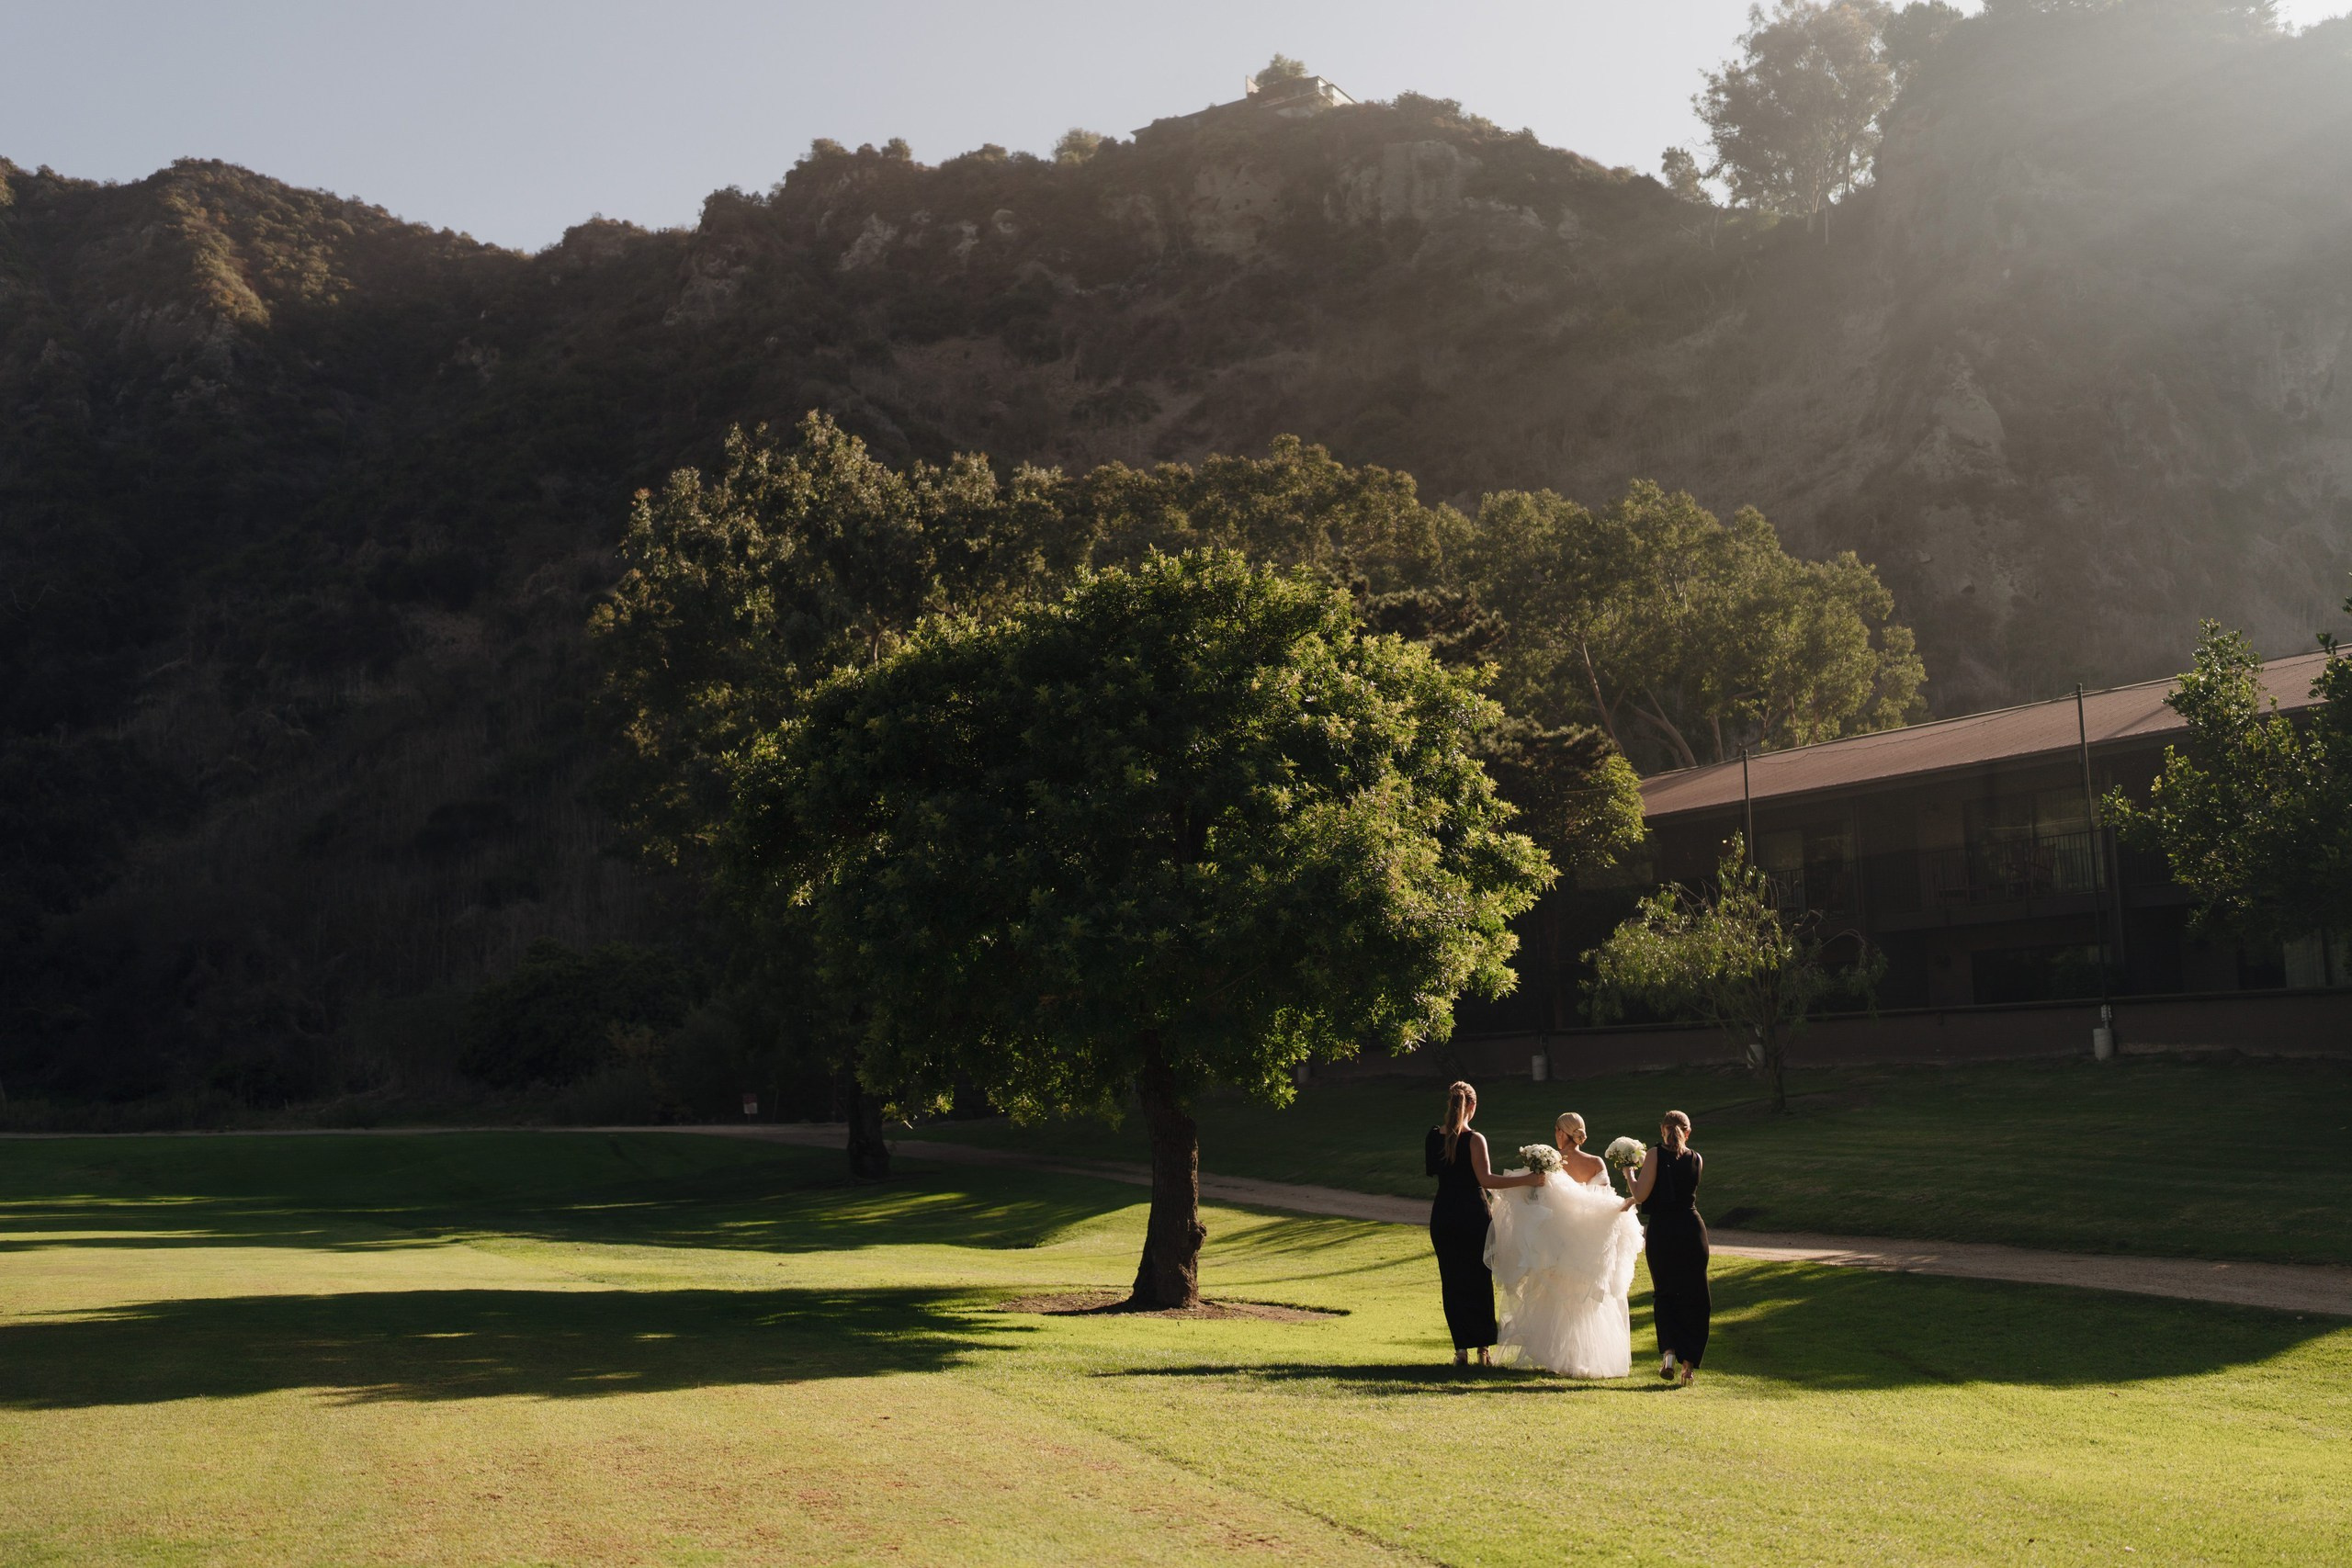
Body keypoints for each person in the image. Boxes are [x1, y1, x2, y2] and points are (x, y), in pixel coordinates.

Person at [1483, 1111, 1644, 1377]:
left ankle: (1559, 1357)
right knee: (1585, 1302)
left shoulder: (1549, 1164)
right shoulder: (1595, 1162)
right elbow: (1602, 1200)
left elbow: (1536, 1202)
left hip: (1555, 1244)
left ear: (1560, 1132)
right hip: (1587, 1243)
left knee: (1556, 1299)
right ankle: (1581, 1357)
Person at [1425, 1080, 1543, 1366]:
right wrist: (1527, 1179)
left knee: (1452, 1281)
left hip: (1444, 1214)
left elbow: (1436, 1171)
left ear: (1450, 1103)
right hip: (1472, 1213)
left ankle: (1461, 1349)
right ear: (1473, 1106)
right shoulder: (1475, 1139)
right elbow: (1486, 1179)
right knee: (1478, 1279)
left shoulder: (1433, 1137)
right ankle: (1482, 1349)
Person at [1623, 1109, 1710, 1386]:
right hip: (1692, 1230)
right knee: (1696, 1296)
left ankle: (1669, 1355)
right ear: (1688, 1132)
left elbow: (1641, 1195)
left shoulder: (1654, 1154)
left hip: (1663, 1231)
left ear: (1662, 1129)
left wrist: (1628, 1173)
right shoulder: (1696, 1158)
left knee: (1665, 1292)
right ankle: (1689, 1366)